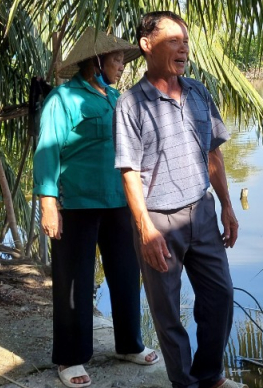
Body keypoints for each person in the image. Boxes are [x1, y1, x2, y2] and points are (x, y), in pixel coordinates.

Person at [113, 11, 243, 388]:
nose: (183, 47)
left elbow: (213, 153)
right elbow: (129, 172)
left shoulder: (199, 92)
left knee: (220, 296)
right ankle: (184, 383)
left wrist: (227, 206)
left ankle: (209, 373)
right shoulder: (131, 104)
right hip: (158, 220)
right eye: (173, 39)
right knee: (167, 312)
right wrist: (145, 229)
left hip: (201, 211)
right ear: (146, 45)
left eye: (185, 40)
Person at [33, 28, 159, 388]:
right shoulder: (63, 99)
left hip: (119, 202)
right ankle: (71, 358)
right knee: (75, 282)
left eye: (122, 57)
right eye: (116, 58)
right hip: (76, 203)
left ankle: (128, 345)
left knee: (125, 273)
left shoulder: (116, 97)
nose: (122, 64)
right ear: (96, 61)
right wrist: (47, 202)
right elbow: (47, 151)